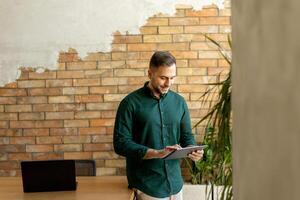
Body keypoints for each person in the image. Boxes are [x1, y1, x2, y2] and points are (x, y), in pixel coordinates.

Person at [113, 51, 203, 200]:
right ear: (150, 73)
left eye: (172, 78)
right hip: (147, 186)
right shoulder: (129, 103)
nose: (168, 83)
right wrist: (155, 153)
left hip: (176, 184)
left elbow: (186, 136)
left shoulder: (179, 102)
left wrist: (193, 150)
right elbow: (120, 143)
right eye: (163, 78)